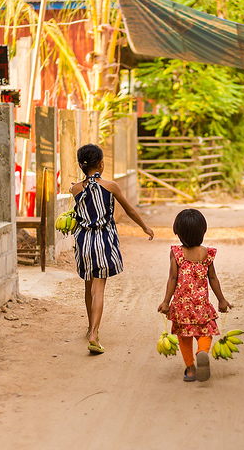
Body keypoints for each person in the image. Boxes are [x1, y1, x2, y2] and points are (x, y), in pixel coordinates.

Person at [71, 144, 154, 354]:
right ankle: (94, 335)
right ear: (100, 163)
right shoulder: (111, 186)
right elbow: (130, 210)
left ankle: (90, 327)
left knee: (88, 287)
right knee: (98, 289)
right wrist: (145, 227)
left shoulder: (75, 189)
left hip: (83, 242)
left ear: (82, 165)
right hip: (103, 241)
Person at [157, 209, 231, 382]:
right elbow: (213, 278)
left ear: (178, 233)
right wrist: (221, 299)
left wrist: (166, 302)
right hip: (201, 306)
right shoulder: (207, 254)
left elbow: (173, 278)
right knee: (205, 332)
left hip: (182, 307)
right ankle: (202, 352)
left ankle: (190, 369)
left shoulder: (177, 253)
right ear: (202, 231)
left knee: (184, 337)